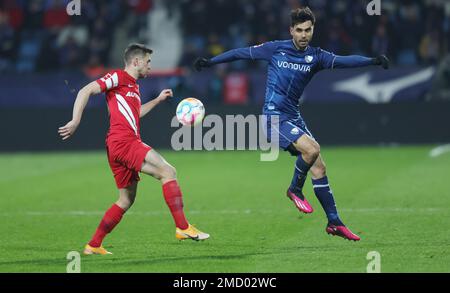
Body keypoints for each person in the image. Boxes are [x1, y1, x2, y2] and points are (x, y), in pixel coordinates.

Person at [194, 7, 390, 241]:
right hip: (273, 117)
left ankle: (334, 222)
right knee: (312, 149)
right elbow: (240, 53)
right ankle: (294, 189)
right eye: (299, 30)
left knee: (319, 167)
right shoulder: (276, 48)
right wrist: (210, 62)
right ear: (291, 30)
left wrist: (374, 60)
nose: (304, 35)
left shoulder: (316, 56)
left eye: (308, 30)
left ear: (313, 30)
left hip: (293, 117)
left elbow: (345, 61)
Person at [59, 43, 209, 255]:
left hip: (116, 145)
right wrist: (75, 121)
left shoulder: (133, 86)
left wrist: (157, 100)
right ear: (136, 61)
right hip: (124, 141)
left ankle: (93, 245)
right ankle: (183, 227)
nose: (150, 66)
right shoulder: (118, 77)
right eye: (148, 62)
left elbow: (135, 113)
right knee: (168, 171)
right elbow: (86, 90)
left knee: (126, 199)